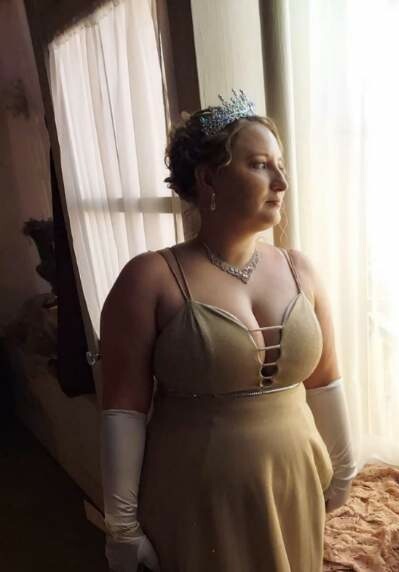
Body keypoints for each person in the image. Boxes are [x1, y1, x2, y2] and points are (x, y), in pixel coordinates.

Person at [99, 90, 357, 572]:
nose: (281, 182)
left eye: (280, 166)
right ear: (209, 178)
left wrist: (344, 466)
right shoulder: (150, 279)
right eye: (260, 165)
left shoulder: (301, 270)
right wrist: (122, 526)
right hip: (196, 497)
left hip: (294, 485)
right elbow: (123, 411)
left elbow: (326, 379)